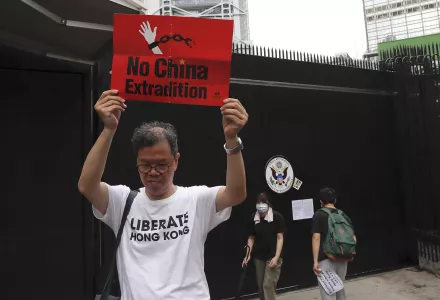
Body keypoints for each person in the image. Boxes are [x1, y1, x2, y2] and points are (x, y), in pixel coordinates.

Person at [78, 90, 248, 300]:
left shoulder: (196, 199)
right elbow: (87, 185)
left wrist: (232, 140)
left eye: (162, 164)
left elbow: (236, 193)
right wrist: (108, 130)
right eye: (145, 165)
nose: (153, 172)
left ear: (176, 161)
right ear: (136, 163)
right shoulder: (122, 202)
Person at [311, 187, 356, 300]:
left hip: (326, 259)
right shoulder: (342, 215)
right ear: (335, 200)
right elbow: (353, 238)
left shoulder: (318, 215)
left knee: (328, 293)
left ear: (321, 202)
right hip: (342, 257)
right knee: (340, 289)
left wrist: (315, 260)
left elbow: (316, 237)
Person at [242, 193, 286, 300]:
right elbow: (251, 237)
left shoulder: (276, 217)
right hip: (259, 256)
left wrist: (276, 257)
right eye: (258, 203)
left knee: (268, 285)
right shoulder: (254, 218)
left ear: (268, 204)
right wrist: (247, 255)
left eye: (263, 203)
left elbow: (280, 238)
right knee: (261, 286)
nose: (260, 205)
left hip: (273, 255)